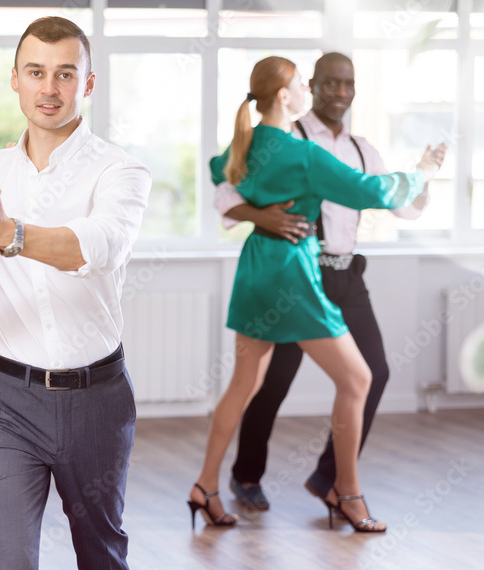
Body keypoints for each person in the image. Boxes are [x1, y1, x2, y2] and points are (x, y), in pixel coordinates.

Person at [0, 17, 151, 570]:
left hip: (96, 400)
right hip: (5, 404)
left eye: (65, 74)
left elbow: (100, 246)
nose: (50, 88)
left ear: (87, 83)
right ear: (15, 80)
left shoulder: (120, 170)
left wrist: (10, 234)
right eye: (36, 72)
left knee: (101, 556)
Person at [189, 56, 443, 533]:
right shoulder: (301, 154)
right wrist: (423, 171)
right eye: (304, 88)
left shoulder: (246, 142)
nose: (312, 95)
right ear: (285, 95)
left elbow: (217, 169)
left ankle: (205, 487)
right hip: (293, 276)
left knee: (244, 384)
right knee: (358, 380)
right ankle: (346, 493)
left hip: (256, 268)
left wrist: (255, 214)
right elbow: (375, 193)